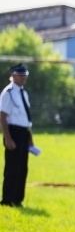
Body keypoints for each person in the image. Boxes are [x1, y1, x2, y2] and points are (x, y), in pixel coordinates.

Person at [1, 63, 35, 207]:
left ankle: (18, 199)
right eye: (21, 75)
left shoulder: (24, 93)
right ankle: (7, 199)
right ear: (13, 75)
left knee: (22, 168)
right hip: (13, 131)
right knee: (12, 167)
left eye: (25, 75)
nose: (23, 78)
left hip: (24, 132)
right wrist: (8, 138)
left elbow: (27, 118)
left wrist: (30, 138)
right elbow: (2, 116)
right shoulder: (8, 93)